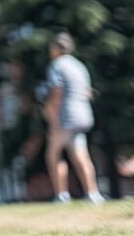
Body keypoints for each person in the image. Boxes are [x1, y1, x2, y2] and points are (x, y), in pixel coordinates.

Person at [43, 32, 105, 204]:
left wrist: (50, 113)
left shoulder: (56, 65)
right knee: (80, 155)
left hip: (66, 117)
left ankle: (61, 195)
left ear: (57, 48)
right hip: (83, 115)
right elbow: (87, 92)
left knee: (53, 154)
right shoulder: (79, 66)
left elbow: (57, 92)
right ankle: (93, 194)